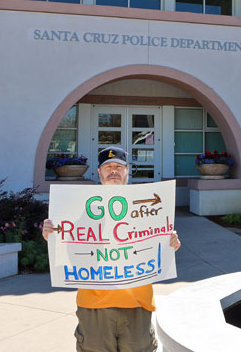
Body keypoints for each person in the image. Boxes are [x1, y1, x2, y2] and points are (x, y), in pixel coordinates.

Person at [43, 146, 181, 352]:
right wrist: (51, 235)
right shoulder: (78, 205)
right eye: (108, 167)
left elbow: (157, 242)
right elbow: (68, 245)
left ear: (127, 171)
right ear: (99, 172)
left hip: (137, 303)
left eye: (119, 166)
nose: (113, 171)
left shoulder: (145, 208)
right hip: (94, 305)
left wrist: (171, 243)